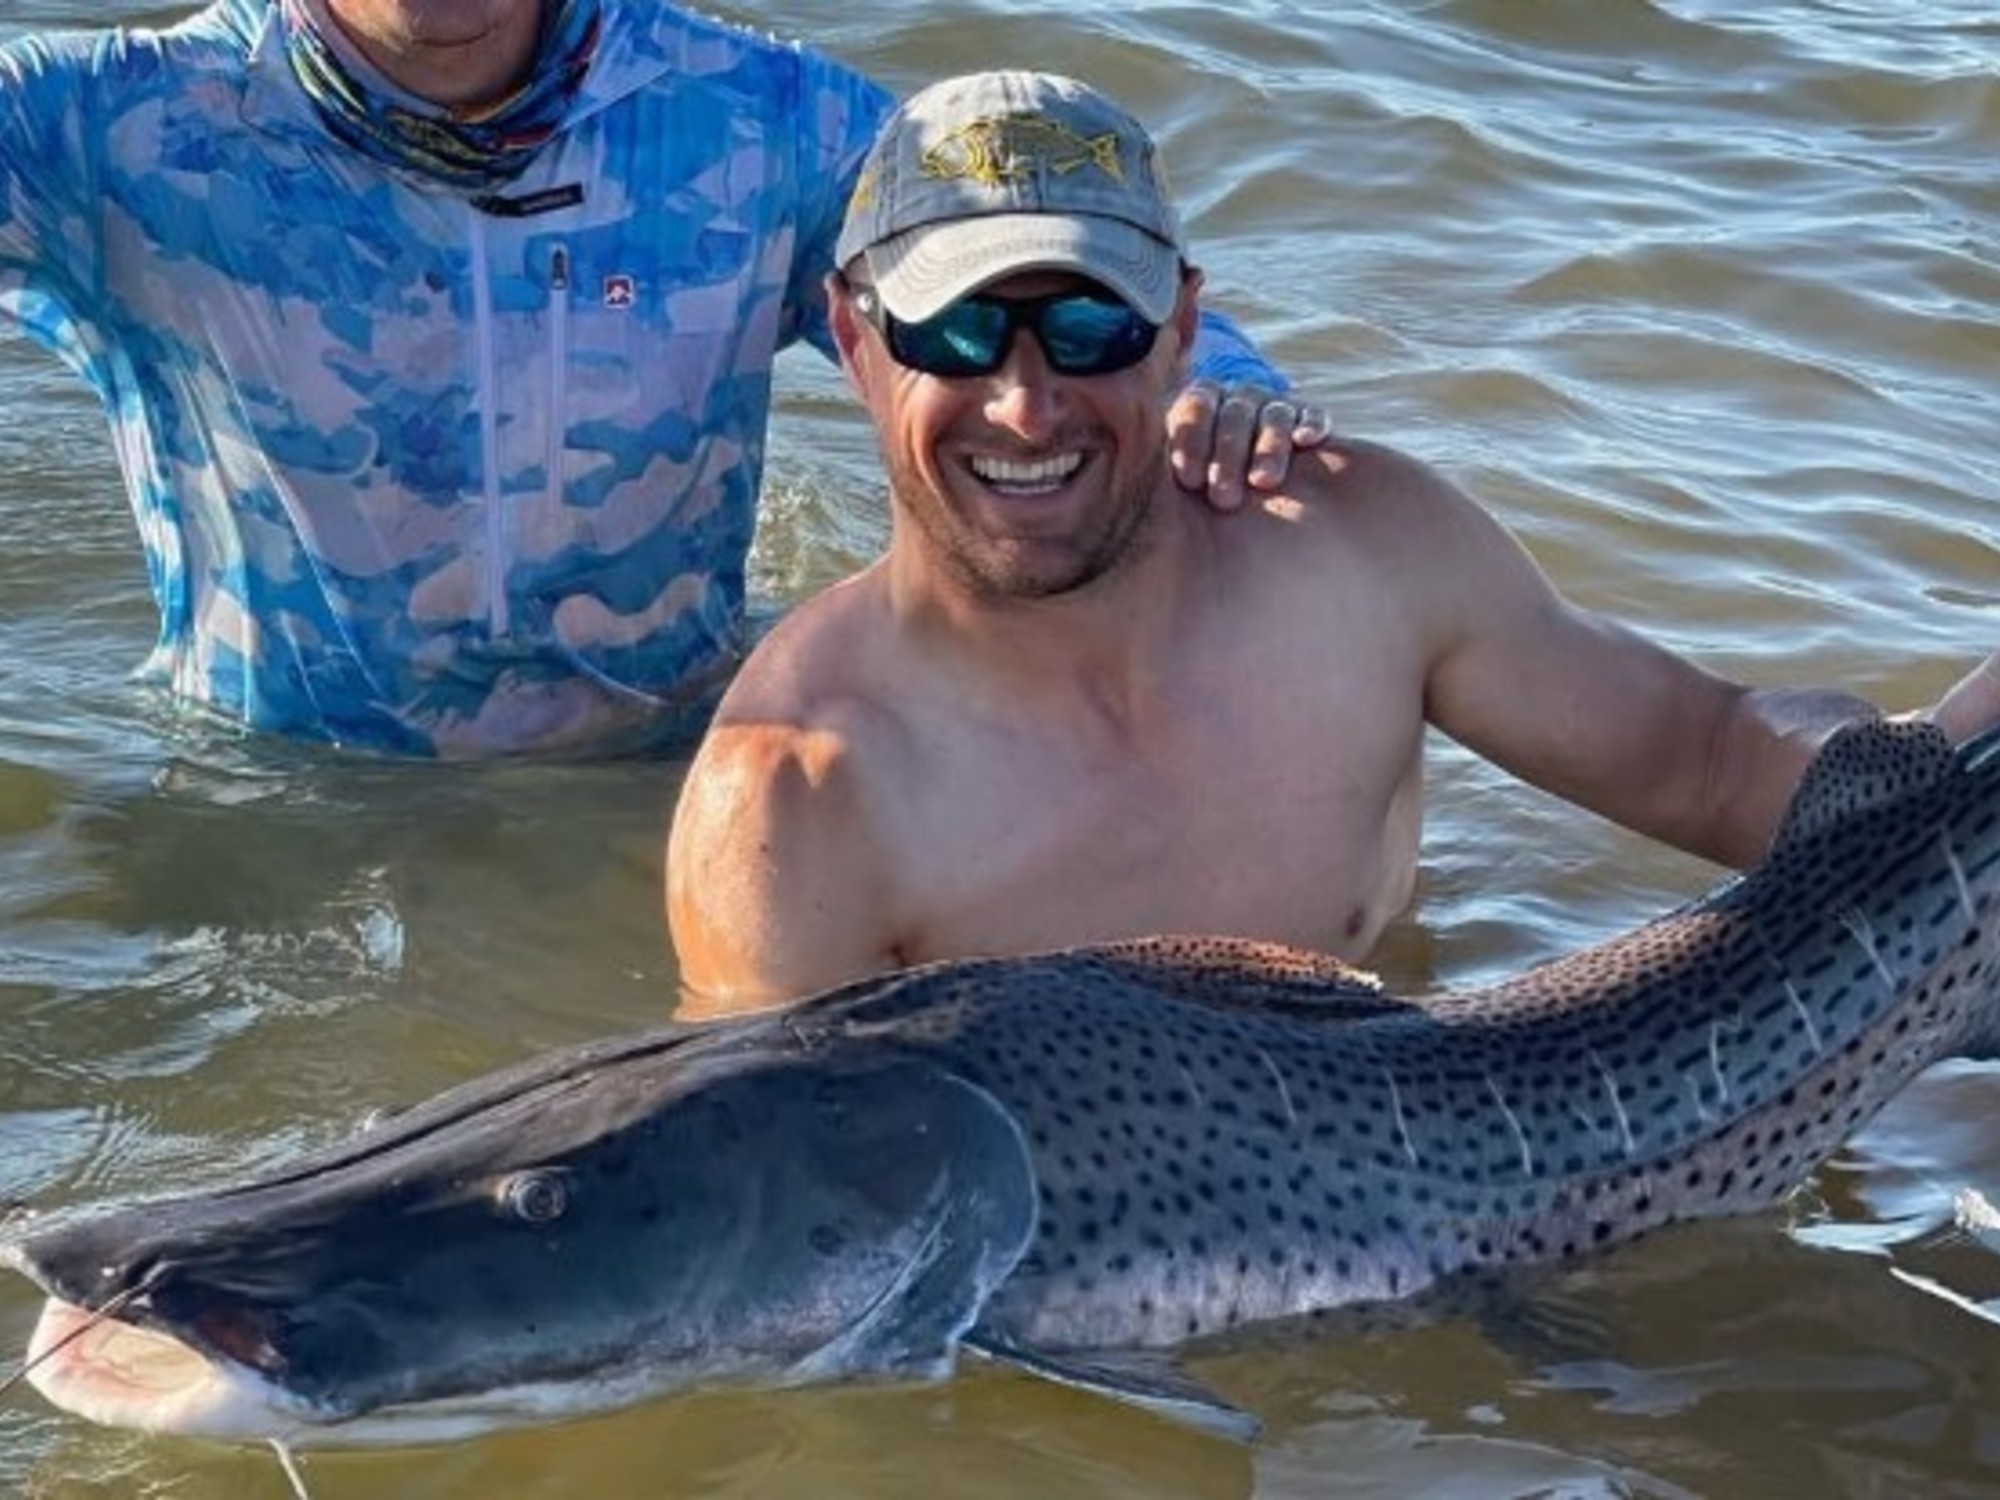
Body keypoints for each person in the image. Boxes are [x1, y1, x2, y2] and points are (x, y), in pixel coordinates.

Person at [664, 68, 2000, 1016]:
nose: (1027, 402)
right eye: (955, 334)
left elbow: (1713, 759)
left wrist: (1937, 765)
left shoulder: (1358, 551)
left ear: (1183, 333)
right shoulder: (788, 810)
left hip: (1479, 1174)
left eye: (1090, 328)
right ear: (855, 345)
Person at [0, 0, 1319, 759]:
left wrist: (1220, 401)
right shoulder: (113, 131)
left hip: (671, 775)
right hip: (282, 798)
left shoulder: (753, 117)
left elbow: (1047, 263)